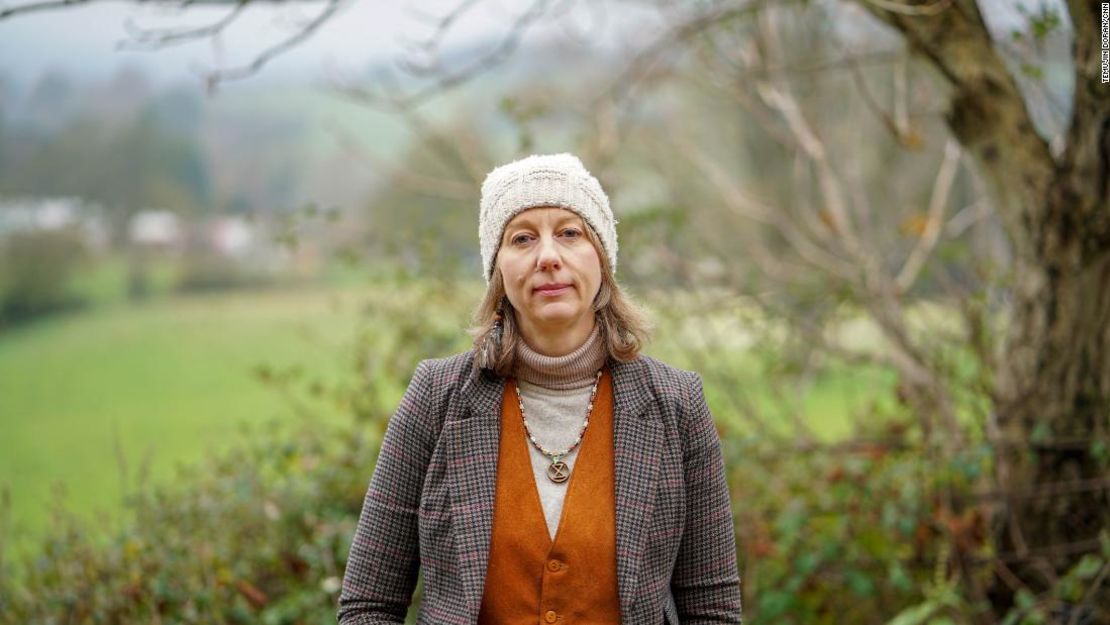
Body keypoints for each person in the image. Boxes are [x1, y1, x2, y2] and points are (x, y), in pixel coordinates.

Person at [338, 153, 742, 625]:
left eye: (570, 233)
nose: (548, 256)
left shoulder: (676, 404)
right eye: (522, 238)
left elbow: (712, 609)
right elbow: (369, 605)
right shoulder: (437, 397)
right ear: (498, 271)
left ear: (602, 259)